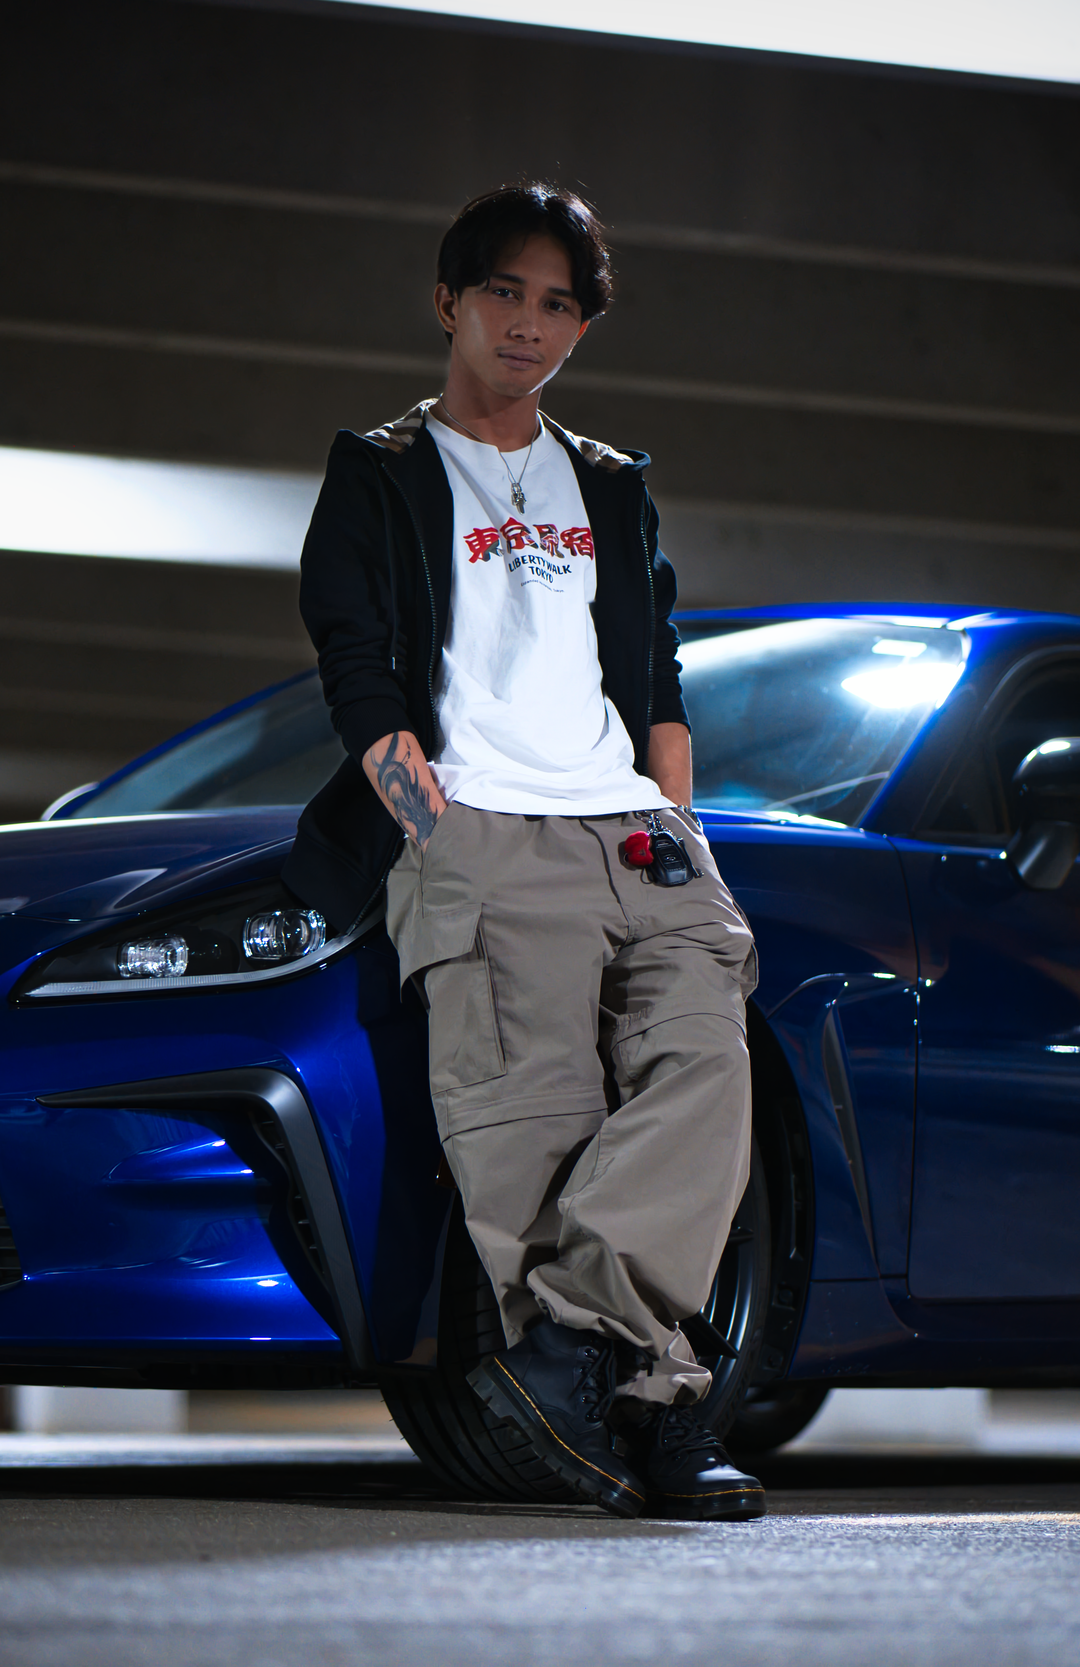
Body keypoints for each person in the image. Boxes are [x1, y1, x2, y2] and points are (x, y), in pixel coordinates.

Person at [283, 183, 763, 1521]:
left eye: (558, 304)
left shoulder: (609, 484)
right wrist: (438, 834)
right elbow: (358, 672)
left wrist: (675, 820)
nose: (529, 324)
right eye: (505, 292)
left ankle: (566, 1357)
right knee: (533, 1132)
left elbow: (657, 678)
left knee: (705, 1069)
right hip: (482, 824)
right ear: (449, 301)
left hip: (633, 829)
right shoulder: (382, 470)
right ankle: (659, 1405)